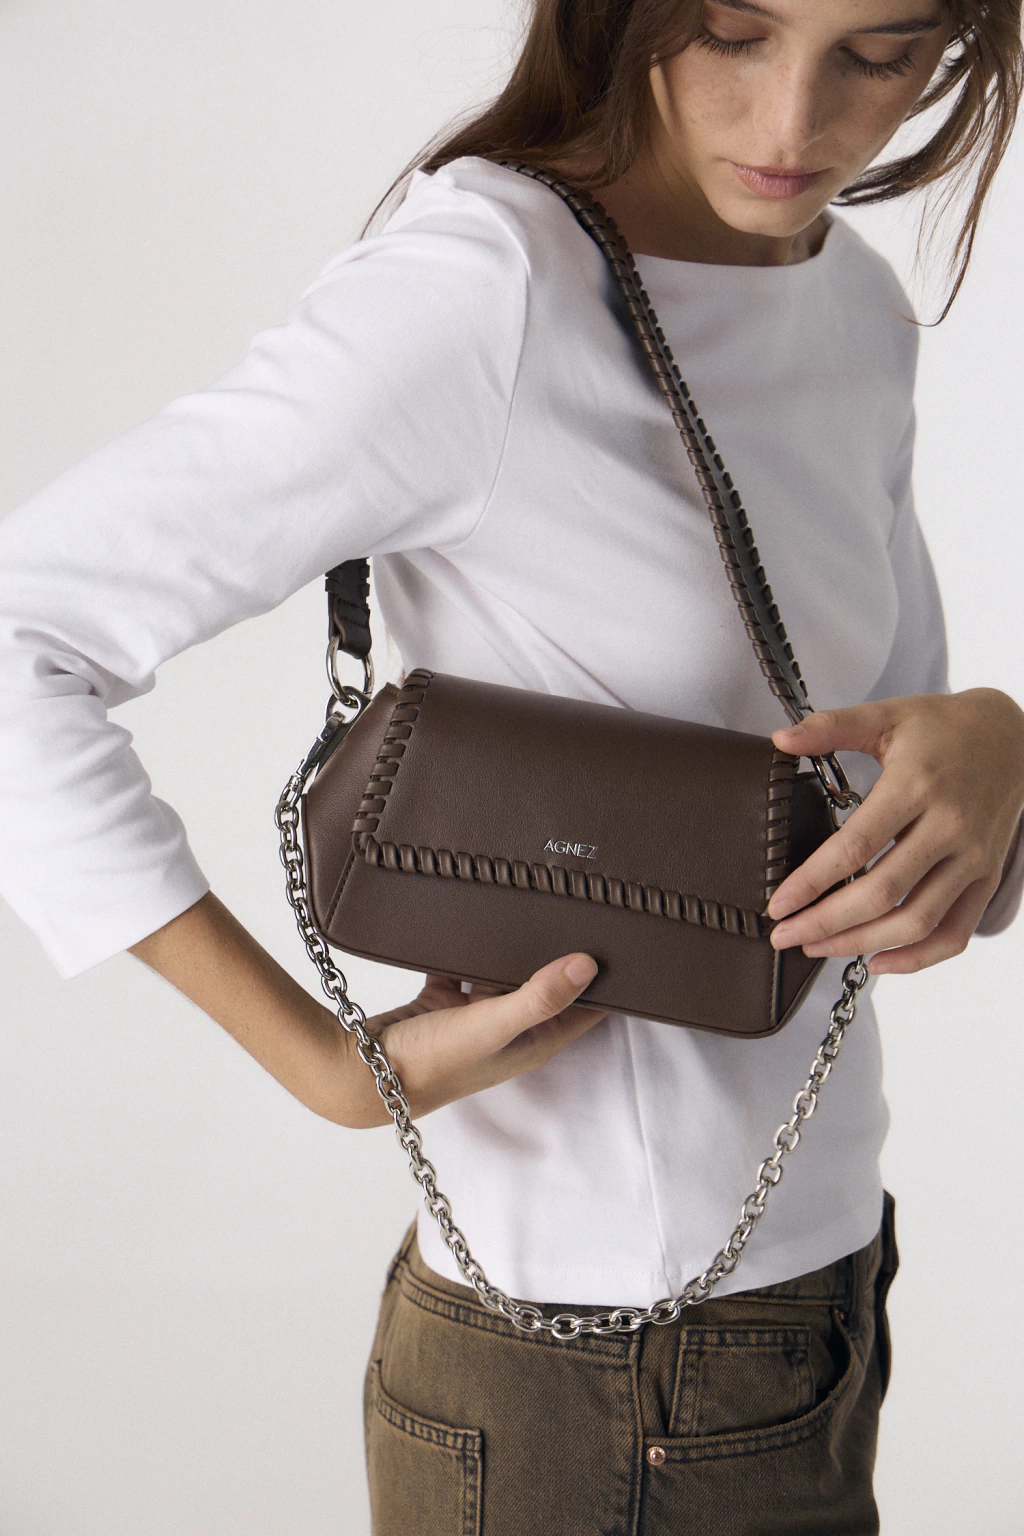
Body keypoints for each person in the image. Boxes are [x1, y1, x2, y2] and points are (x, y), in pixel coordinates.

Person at [2, 0, 1024, 1528]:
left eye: (878, 54)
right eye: (732, 31)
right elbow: (22, 633)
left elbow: (883, 817)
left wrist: (998, 748)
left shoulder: (853, 301)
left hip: (816, 1283)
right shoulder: (489, 287)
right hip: (593, 1359)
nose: (794, 124)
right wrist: (324, 1067)